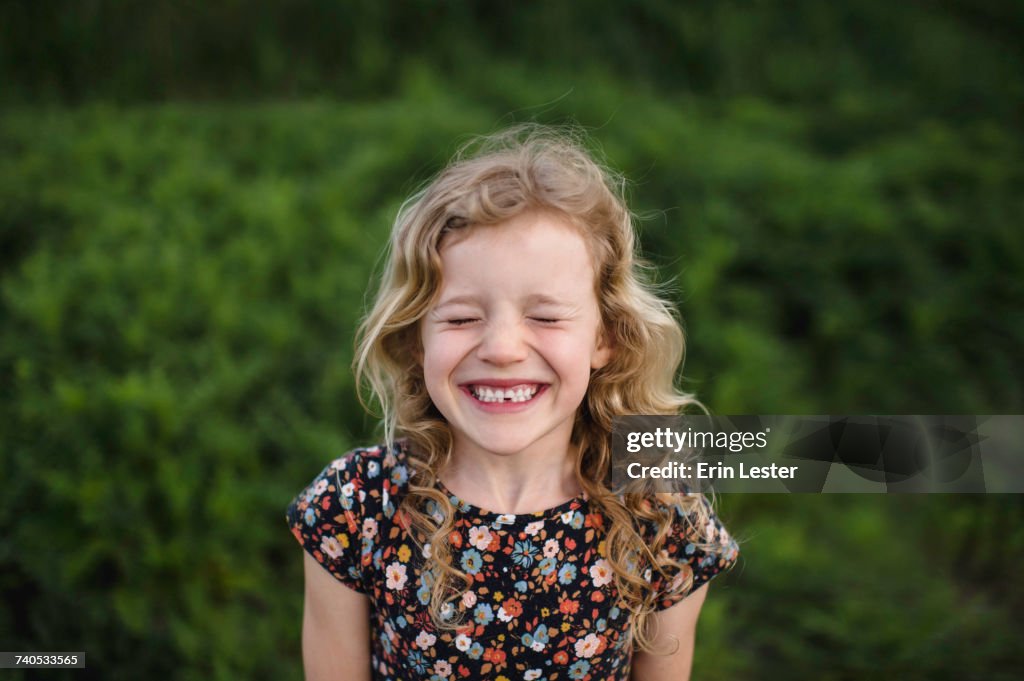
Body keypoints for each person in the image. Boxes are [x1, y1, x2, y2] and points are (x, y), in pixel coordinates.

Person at [286, 126, 739, 681]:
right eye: (460, 318)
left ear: (606, 338)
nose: (501, 349)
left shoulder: (657, 509)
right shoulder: (357, 507)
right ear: (414, 339)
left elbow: (844, 453)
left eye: (546, 317)